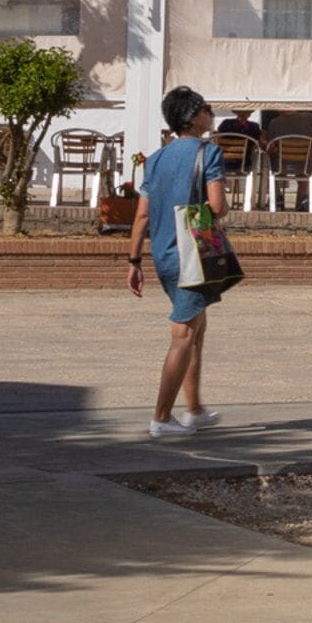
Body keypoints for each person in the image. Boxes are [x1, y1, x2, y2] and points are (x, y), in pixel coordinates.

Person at [126, 86, 229, 438]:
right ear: (193, 116)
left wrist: (134, 260)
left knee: (197, 327)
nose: (211, 114)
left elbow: (141, 216)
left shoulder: (155, 159)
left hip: (163, 253)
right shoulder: (208, 153)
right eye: (207, 109)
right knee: (183, 334)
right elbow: (216, 208)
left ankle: (194, 409)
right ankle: (161, 417)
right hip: (192, 253)